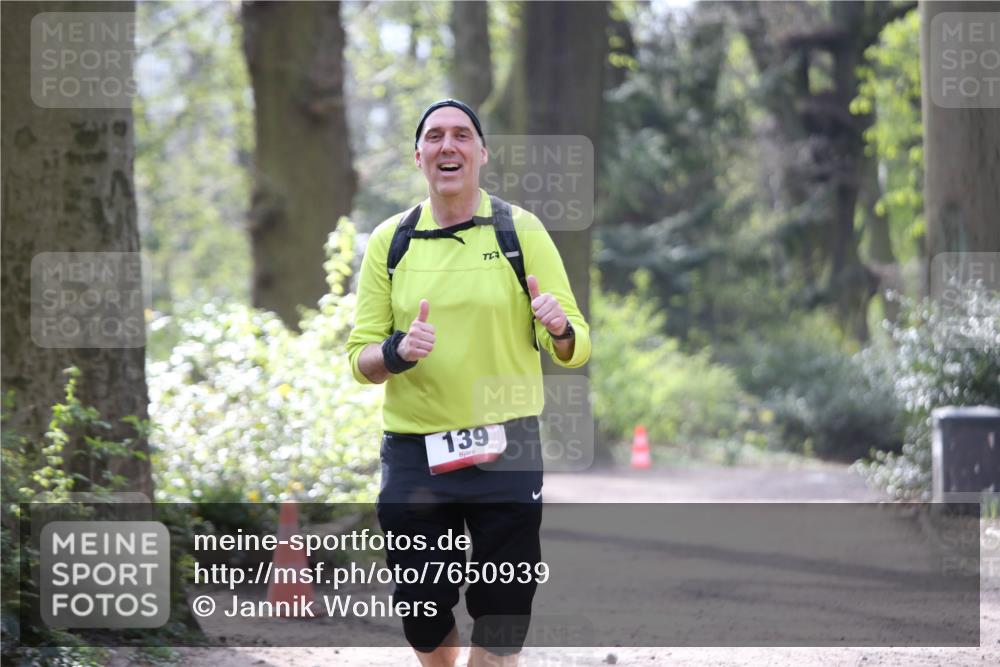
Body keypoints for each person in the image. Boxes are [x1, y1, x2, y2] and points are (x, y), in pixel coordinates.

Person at [346, 99, 591, 667]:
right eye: (434, 137)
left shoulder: (518, 230)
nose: (447, 146)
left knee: (505, 602)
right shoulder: (391, 240)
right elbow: (360, 358)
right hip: (414, 451)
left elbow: (576, 343)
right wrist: (396, 351)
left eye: (461, 135)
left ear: (482, 153)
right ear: (419, 156)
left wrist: (557, 327)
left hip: (506, 445)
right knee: (423, 611)